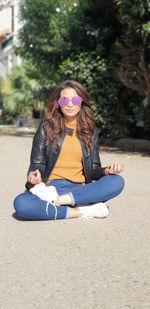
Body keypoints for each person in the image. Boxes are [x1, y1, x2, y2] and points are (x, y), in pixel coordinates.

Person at [13, 80, 124, 220]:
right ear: (58, 103)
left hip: (80, 190)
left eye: (75, 99)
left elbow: (94, 170)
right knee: (21, 204)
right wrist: (34, 174)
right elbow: (37, 163)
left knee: (116, 181)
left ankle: (59, 203)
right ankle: (83, 211)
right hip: (50, 189)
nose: (70, 104)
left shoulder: (91, 131)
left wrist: (106, 171)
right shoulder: (46, 128)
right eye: (65, 100)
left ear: (81, 102)